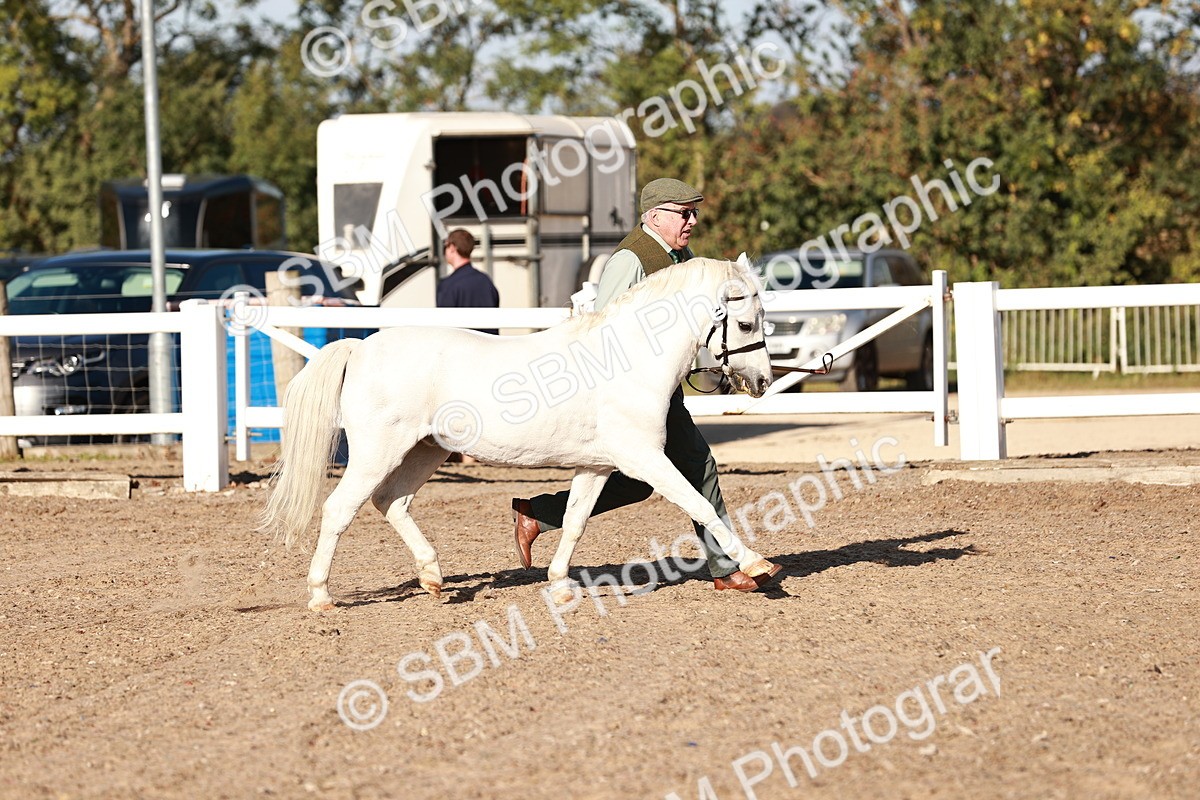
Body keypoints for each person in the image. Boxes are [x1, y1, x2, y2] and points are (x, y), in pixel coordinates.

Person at [510, 178, 782, 593]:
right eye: (683, 212)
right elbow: (606, 328)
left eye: (694, 213)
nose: (691, 220)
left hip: (658, 391)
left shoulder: (682, 256)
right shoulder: (630, 259)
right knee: (698, 465)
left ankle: (540, 513)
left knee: (638, 481)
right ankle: (726, 568)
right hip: (629, 396)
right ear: (654, 216)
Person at [436, 229, 500, 335]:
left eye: (445, 246)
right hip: (488, 349)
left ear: (452, 248)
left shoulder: (447, 285)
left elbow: (444, 330)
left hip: (460, 349)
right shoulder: (486, 281)